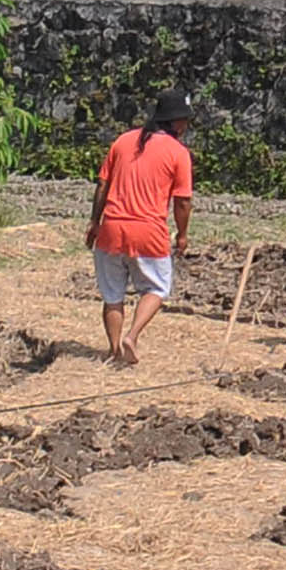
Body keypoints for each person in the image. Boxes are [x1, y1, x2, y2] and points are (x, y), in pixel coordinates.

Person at [90, 93, 198, 366]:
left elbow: (102, 186)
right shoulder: (178, 153)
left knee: (112, 294)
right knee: (157, 289)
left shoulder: (123, 141)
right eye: (184, 120)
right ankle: (132, 336)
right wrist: (182, 234)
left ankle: (114, 351)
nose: (185, 126)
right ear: (175, 122)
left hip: (112, 228)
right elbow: (183, 201)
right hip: (148, 232)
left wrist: (94, 222)